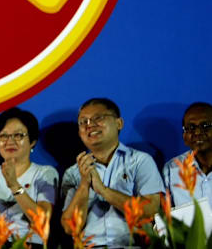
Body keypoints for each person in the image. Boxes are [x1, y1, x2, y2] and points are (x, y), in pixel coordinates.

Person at [60, 98, 163, 247]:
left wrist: (103, 190)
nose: (90, 125)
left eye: (98, 118)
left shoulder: (140, 161)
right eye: (83, 122)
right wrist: (84, 185)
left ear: (119, 123)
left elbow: (151, 211)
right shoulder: (74, 173)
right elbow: (70, 228)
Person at [0, 108, 57, 245]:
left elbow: (42, 221)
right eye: (3, 136)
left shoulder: (45, 173)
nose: (10, 141)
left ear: (32, 141)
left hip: (29, 244)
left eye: (18, 135)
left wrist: (14, 185)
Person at [163, 102, 212, 207]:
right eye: (191, 127)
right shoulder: (171, 170)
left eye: (205, 126)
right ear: (184, 136)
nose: (197, 132)